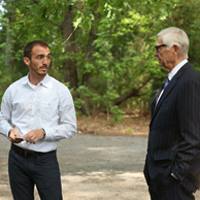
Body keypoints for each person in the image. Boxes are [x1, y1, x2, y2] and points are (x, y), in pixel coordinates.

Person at [0, 40, 77, 200]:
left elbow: (71, 127)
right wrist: (9, 130)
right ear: (27, 60)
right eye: (40, 57)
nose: (45, 62)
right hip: (16, 160)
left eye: (48, 57)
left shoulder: (60, 90)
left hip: (46, 161)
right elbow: (2, 118)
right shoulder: (13, 90)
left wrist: (44, 132)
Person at [144, 27, 200, 200]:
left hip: (173, 183)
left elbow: (194, 136)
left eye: (158, 48)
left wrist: (177, 175)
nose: (155, 54)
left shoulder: (190, 81)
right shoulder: (171, 80)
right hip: (159, 179)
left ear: (174, 49)